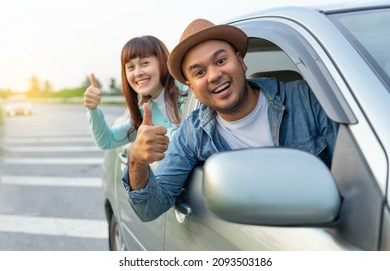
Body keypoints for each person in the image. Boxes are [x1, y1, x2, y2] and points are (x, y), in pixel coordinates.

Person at [122, 19, 339, 222]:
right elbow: (149, 208)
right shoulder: (192, 135)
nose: (214, 75)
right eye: (199, 72)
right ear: (191, 88)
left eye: (221, 60)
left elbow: (356, 181)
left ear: (241, 62)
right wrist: (137, 160)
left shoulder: (308, 99)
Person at [83, 35, 188, 150]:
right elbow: (107, 141)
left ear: (162, 62)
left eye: (145, 63)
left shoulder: (187, 89)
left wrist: (156, 136)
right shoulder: (145, 113)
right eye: (130, 67)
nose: (137, 73)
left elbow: (193, 138)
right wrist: (92, 109)